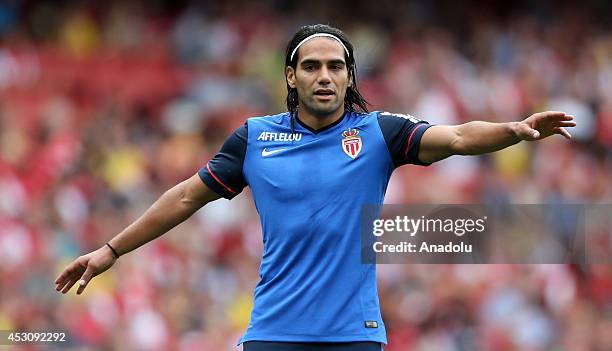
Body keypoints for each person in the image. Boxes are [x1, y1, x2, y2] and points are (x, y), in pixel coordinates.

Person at [55, 24, 576, 351]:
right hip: (273, 333)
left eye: (335, 66)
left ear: (349, 77)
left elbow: (459, 136)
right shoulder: (254, 139)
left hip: (354, 336)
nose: (324, 75)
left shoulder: (380, 133)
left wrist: (513, 131)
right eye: (311, 66)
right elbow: (188, 195)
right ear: (291, 76)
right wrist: (110, 250)